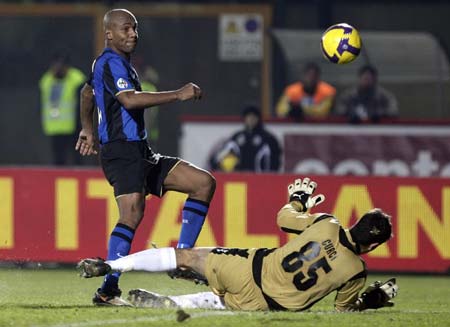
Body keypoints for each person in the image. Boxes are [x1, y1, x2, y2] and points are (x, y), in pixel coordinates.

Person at [78, 177, 398, 312]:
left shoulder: (327, 223)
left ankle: (110, 266)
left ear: (356, 222)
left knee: (183, 255)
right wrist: (369, 302)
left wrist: (298, 201)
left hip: (248, 268)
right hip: (268, 304)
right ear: (374, 246)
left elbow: (284, 219)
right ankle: (178, 303)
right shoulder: (357, 271)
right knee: (221, 303)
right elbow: (342, 311)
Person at [75, 8, 216, 306]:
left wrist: (87, 129)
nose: (133, 34)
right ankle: (107, 290)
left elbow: (87, 93)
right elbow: (129, 100)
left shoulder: (118, 65)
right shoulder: (109, 62)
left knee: (203, 183)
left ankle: (183, 259)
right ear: (109, 33)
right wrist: (178, 94)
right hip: (119, 152)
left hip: (140, 151)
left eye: (135, 28)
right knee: (133, 212)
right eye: (126, 29)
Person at [39, 51, 86, 165]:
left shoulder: (77, 79)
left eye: (61, 65)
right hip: (54, 127)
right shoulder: (46, 80)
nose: (57, 68)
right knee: (58, 159)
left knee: (77, 158)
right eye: (55, 65)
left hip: (75, 126)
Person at [209, 105, 281, 172]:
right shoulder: (237, 137)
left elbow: (275, 163)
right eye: (248, 116)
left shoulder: (268, 138)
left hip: (261, 180)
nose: (251, 119)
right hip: (239, 179)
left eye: (254, 117)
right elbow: (219, 156)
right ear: (245, 118)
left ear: (258, 118)